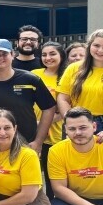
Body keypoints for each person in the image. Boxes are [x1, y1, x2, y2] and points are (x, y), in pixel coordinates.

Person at [0, 39, 55, 149]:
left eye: (4, 54)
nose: (0, 58)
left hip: (26, 145)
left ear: (13, 55)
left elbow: (49, 108)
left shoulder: (31, 80)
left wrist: (38, 141)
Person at [48, 107, 103, 205]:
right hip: (77, 200)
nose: (78, 132)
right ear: (66, 130)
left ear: (94, 126)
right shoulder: (57, 151)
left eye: (83, 127)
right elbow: (58, 189)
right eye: (72, 128)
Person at [33, 41, 68, 196]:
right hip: (34, 130)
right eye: (44, 54)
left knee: (52, 176)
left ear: (61, 55)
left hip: (57, 133)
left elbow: (68, 106)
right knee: (34, 174)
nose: (48, 58)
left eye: (52, 54)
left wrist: (45, 123)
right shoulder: (35, 74)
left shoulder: (67, 76)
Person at [56, 29, 103, 135]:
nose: (100, 50)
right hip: (75, 121)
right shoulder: (73, 68)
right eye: (96, 45)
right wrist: (70, 121)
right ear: (89, 46)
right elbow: (63, 98)